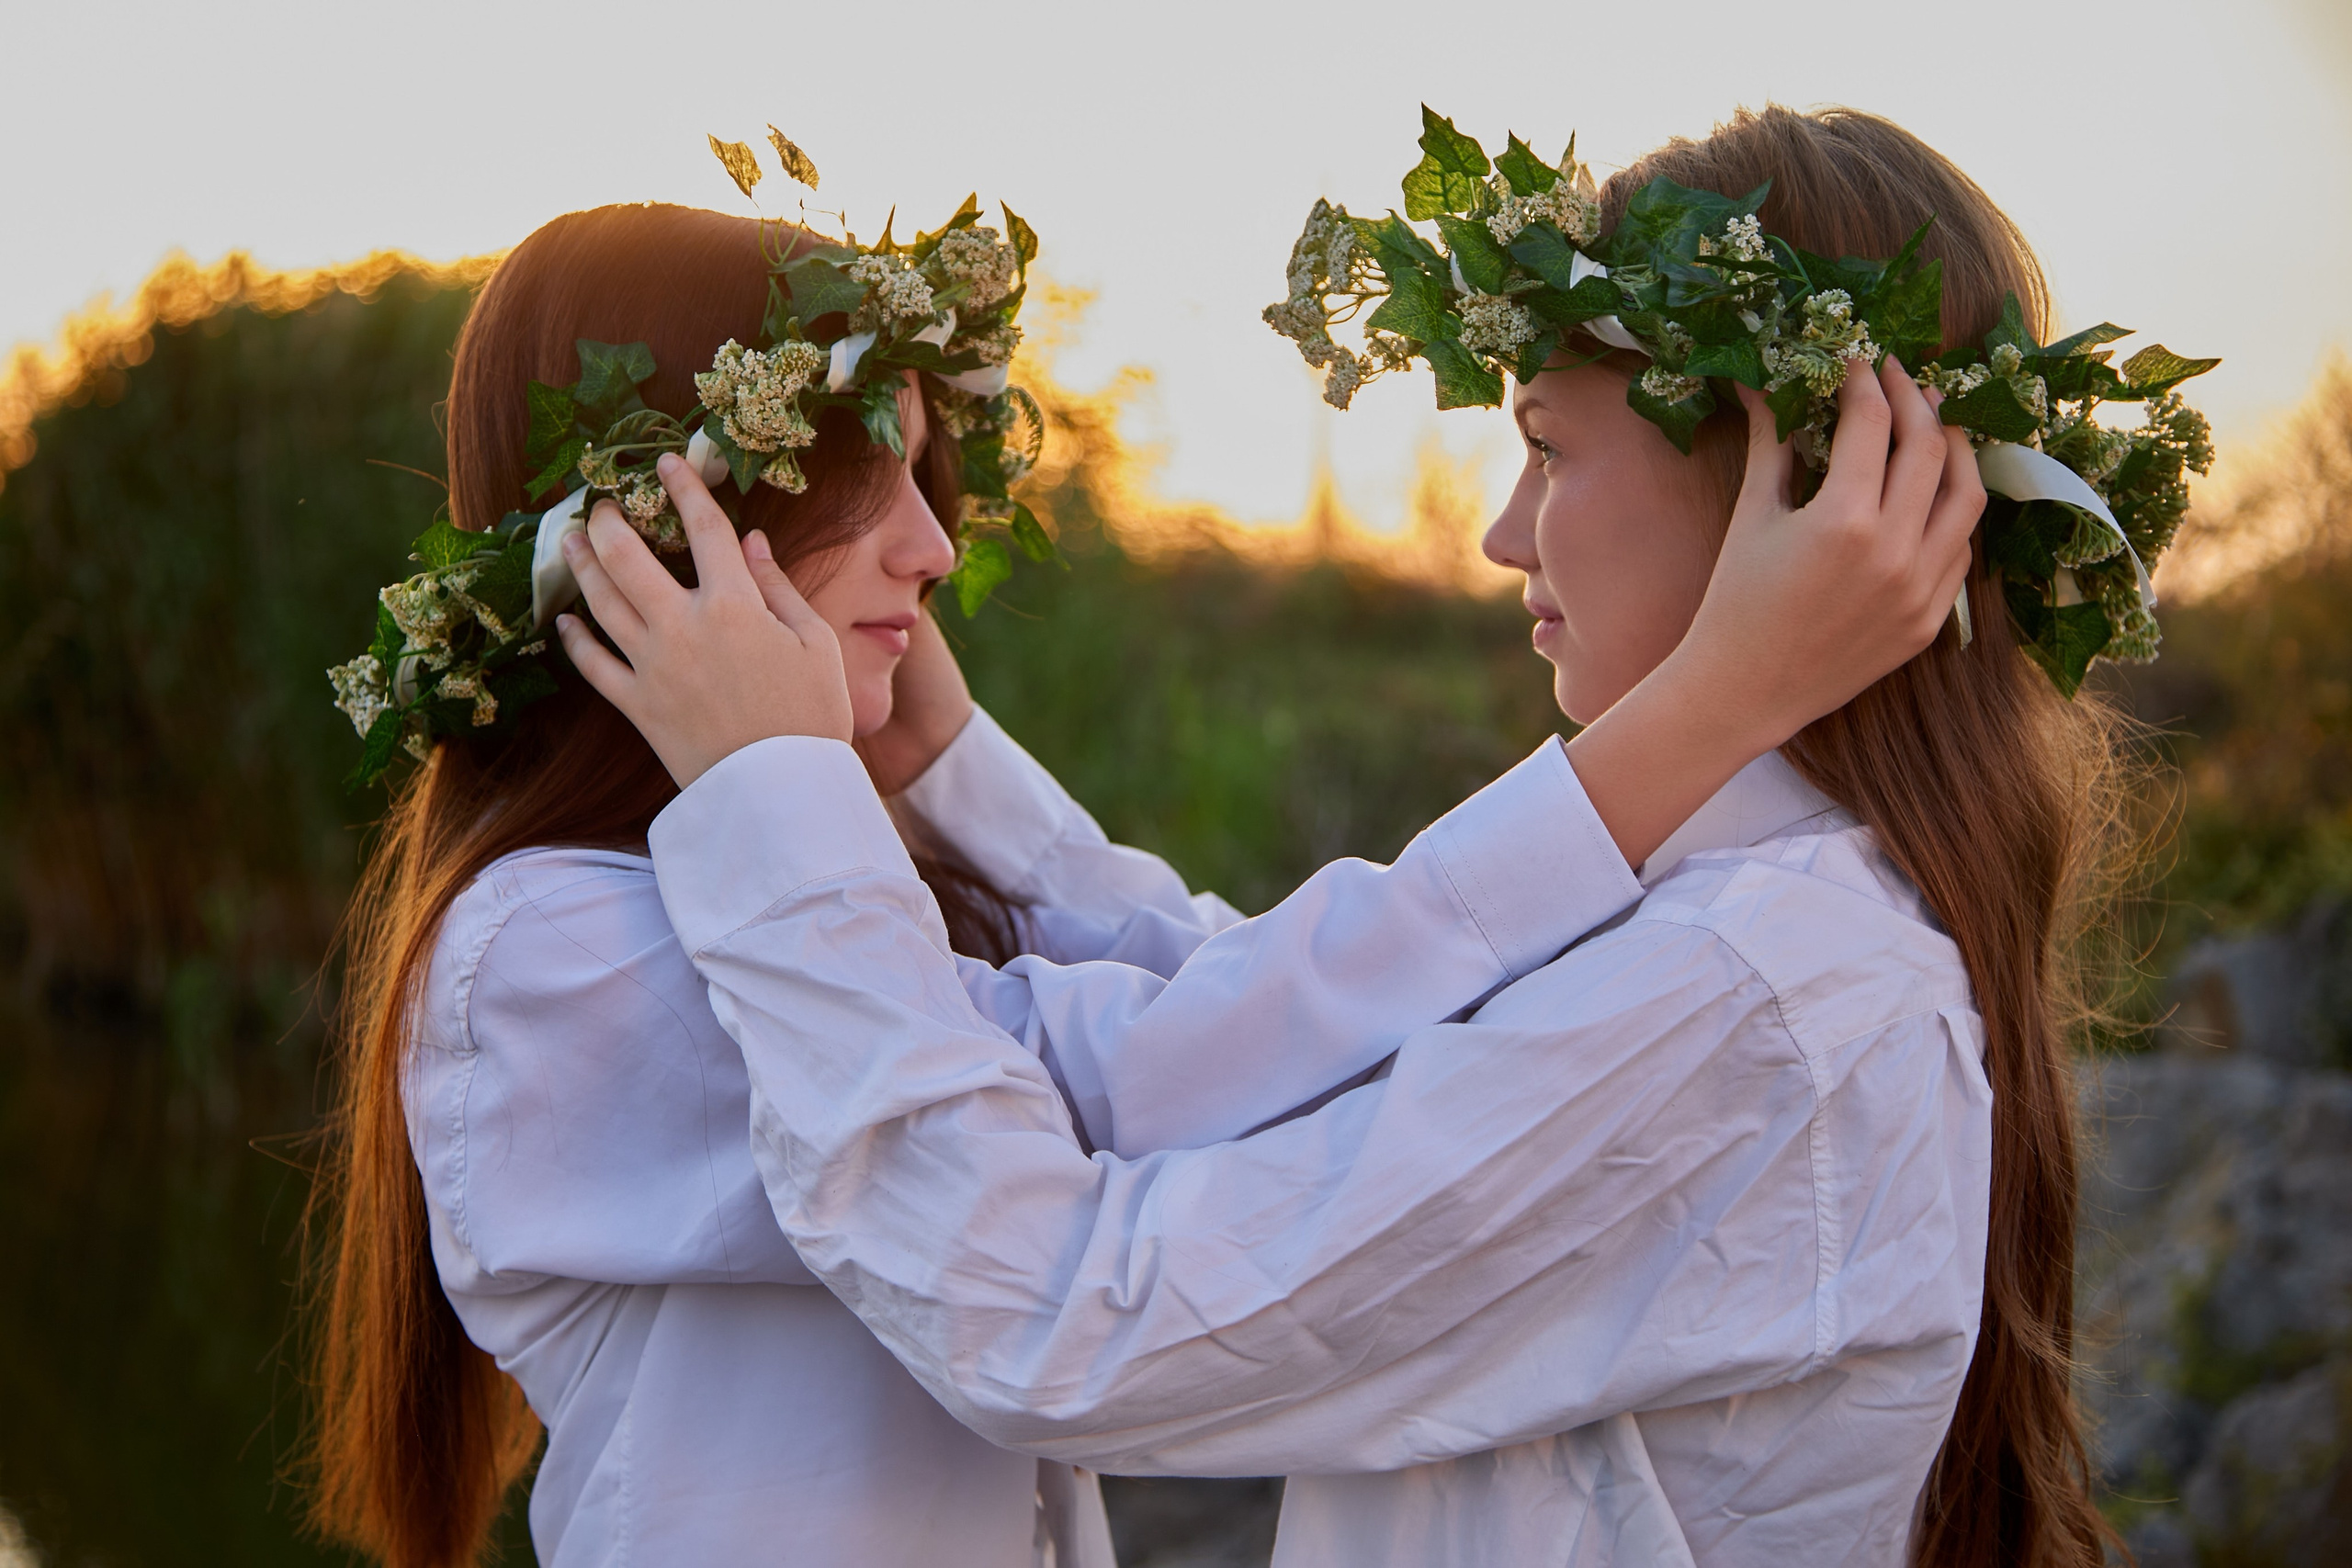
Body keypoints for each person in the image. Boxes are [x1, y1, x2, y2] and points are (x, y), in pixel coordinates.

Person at [559, 107, 2140, 1568]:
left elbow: (1060, 1321)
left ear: (1782, 476)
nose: (1501, 530)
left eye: (1549, 445)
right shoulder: (1740, 926)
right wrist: (951, 769)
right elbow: (1295, 1033)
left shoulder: (1752, 995)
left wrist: (777, 807)